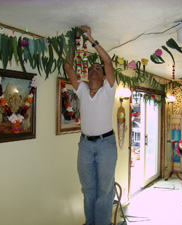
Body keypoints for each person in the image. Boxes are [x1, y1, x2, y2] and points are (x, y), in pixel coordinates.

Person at [64, 26, 117, 225]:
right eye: (91, 68)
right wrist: (74, 42)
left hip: (106, 145)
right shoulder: (83, 90)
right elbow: (69, 68)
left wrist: (90, 38)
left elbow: (108, 61)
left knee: (105, 190)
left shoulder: (109, 90)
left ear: (103, 76)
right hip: (85, 146)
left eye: (98, 68)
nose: (94, 69)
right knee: (88, 189)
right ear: (87, 76)